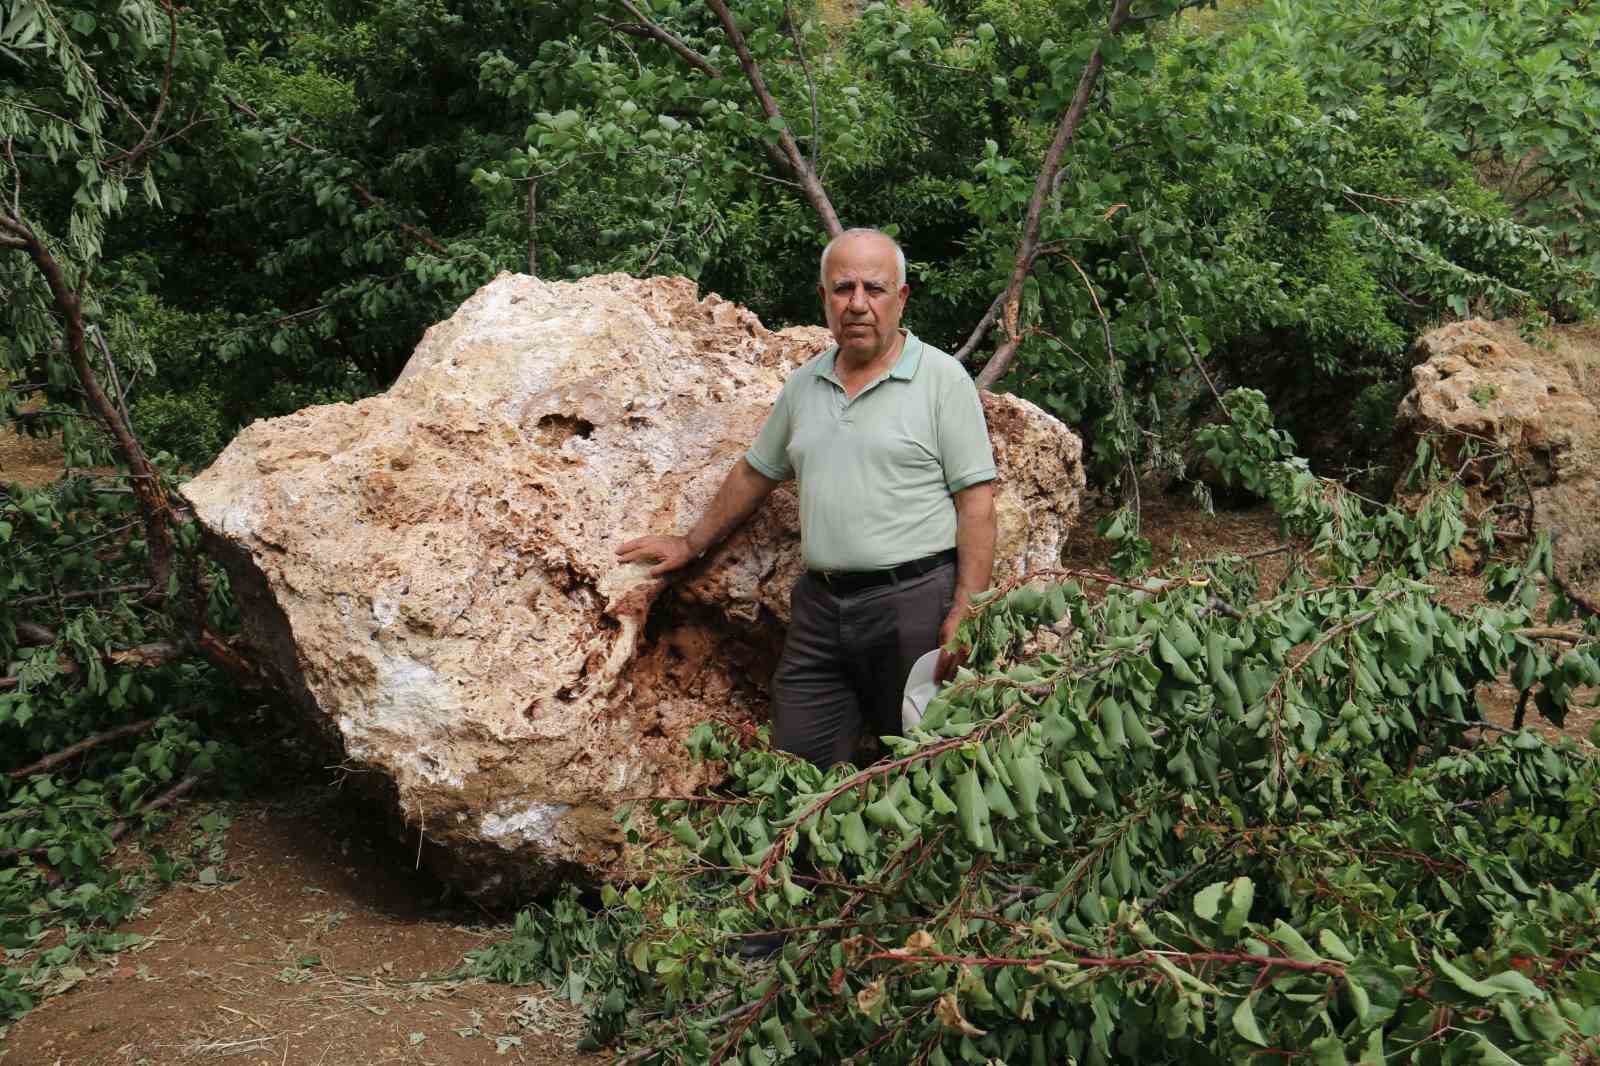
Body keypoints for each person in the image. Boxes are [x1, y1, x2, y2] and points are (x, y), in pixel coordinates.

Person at [616, 228, 997, 768]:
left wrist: (966, 610)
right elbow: (756, 472)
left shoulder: (941, 381)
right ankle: (806, 856)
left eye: (875, 289)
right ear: (824, 299)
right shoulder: (804, 386)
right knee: (796, 762)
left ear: (902, 298)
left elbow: (976, 504)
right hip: (820, 608)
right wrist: (690, 542)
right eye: (843, 289)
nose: (858, 304)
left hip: (912, 603)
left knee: (921, 761)